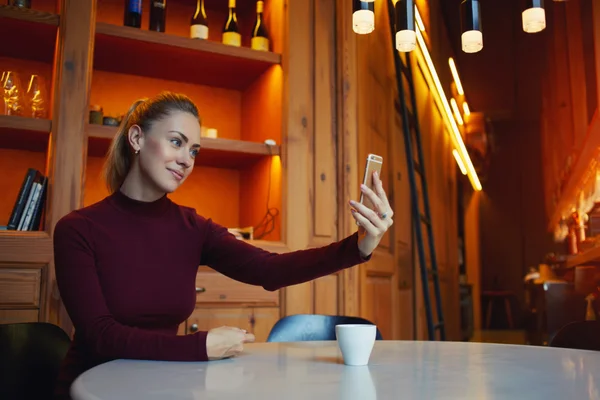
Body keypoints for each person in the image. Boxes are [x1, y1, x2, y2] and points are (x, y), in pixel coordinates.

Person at [52, 91, 394, 398]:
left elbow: (269, 269)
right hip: (91, 388)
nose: (187, 159)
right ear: (137, 138)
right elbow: (100, 336)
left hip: (162, 386)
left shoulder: (193, 227)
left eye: (194, 150)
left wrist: (359, 246)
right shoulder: (78, 230)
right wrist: (201, 346)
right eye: (176, 142)